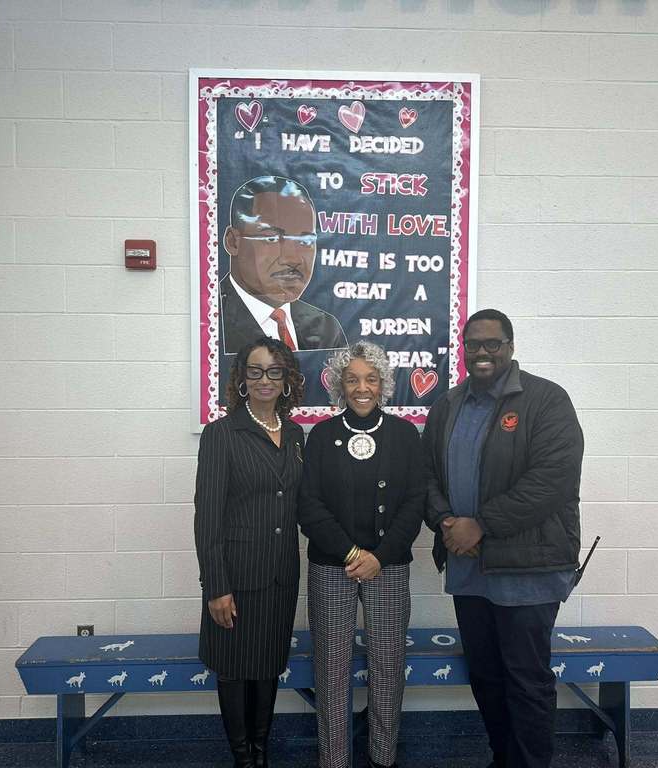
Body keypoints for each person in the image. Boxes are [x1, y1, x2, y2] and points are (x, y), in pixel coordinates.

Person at [422, 308, 584, 768]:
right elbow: (426, 474)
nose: (482, 352)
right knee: (487, 676)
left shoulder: (547, 400)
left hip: (528, 568)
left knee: (526, 679)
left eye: (492, 343)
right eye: (473, 344)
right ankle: (503, 757)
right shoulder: (449, 405)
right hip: (468, 567)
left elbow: (551, 480)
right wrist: (448, 523)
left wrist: (481, 524)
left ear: (510, 347)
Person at [299, 341, 425, 768]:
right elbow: (309, 505)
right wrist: (353, 551)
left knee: (388, 667)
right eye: (351, 379)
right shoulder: (320, 435)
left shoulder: (406, 435)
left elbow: (415, 502)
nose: (361, 387)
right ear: (339, 384)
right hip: (331, 566)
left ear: (384, 383)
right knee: (331, 671)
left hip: (387, 567)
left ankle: (382, 757)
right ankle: (334, 760)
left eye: (370, 378)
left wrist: (380, 555)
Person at [194, 336, 306, 768]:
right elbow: (208, 518)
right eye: (255, 371)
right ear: (241, 378)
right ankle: (242, 757)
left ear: (286, 379)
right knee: (236, 669)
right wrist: (216, 587)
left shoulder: (296, 434)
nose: (264, 380)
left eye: (274, 371)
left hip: (281, 574)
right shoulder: (222, 433)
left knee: (268, 665)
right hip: (236, 578)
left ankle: (262, 750)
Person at [220, 175, 347, 354]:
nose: (292, 258)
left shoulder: (326, 329)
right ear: (233, 242)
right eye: (271, 238)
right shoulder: (211, 321)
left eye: (305, 241)